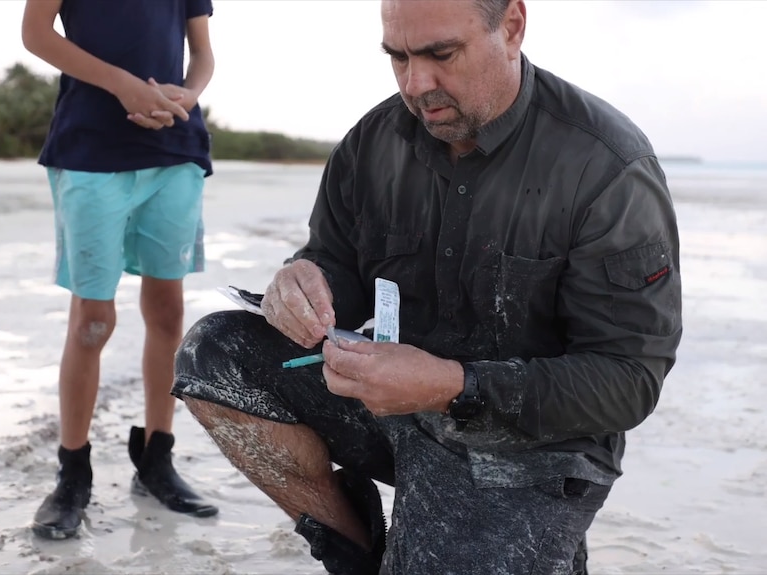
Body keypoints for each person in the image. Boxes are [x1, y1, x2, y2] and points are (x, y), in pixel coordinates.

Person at [172, 0, 682, 572]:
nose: (417, 84)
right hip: (388, 402)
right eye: (398, 57)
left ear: (511, 26)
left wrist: (451, 384)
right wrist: (303, 282)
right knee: (214, 353)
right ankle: (357, 554)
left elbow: (629, 380)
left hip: (532, 443)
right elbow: (333, 260)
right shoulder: (372, 141)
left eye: (441, 54)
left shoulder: (606, 167)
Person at [21, 0, 218, 540]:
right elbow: (35, 34)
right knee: (92, 320)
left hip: (175, 147)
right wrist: (123, 86)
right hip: (90, 148)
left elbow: (201, 54)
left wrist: (188, 95)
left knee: (167, 311)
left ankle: (157, 459)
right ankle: (72, 473)